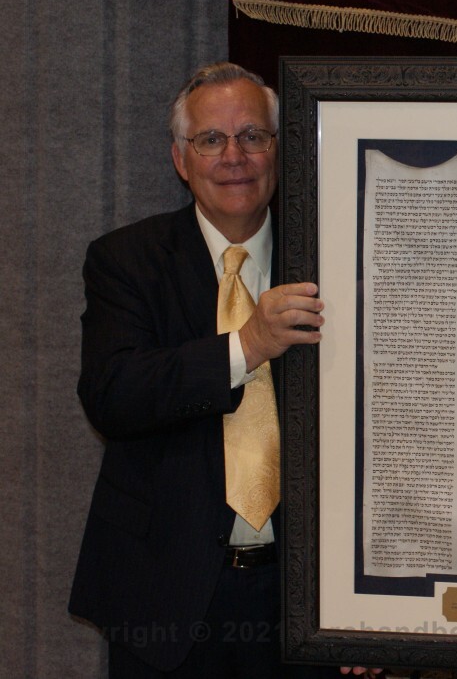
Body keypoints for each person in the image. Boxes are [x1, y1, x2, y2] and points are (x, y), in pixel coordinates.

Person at [68, 62, 335, 677]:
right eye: (210, 139)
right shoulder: (125, 260)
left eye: (253, 136)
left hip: (309, 598)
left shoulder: (335, 255)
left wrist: (367, 611)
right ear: (181, 160)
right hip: (164, 595)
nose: (233, 156)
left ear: (279, 149)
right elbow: (114, 395)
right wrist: (249, 343)